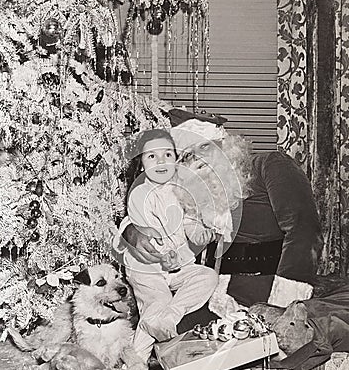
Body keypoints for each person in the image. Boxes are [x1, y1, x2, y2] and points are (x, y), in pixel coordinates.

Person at [118, 119, 323, 330]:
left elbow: (303, 229)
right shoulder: (186, 188)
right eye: (188, 155)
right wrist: (130, 231)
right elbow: (150, 203)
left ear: (225, 143)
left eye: (205, 145)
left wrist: (285, 300)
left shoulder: (268, 165)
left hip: (269, 292)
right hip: (210, 293)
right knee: (167, 339)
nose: (200, 157)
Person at [122, 128, 219, 365]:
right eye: (151, 156)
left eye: (167, 154)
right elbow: (142, 230)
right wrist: (163, 255)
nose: (161, 161)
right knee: (159, 300)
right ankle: (135, 362)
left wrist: (208, 228)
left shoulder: (184, 191)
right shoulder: (141, 194)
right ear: (142, 164)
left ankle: (169, 317)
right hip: (147, 268)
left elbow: (193, 231)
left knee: (207, 277)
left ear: (176, 160)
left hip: (178, 268)